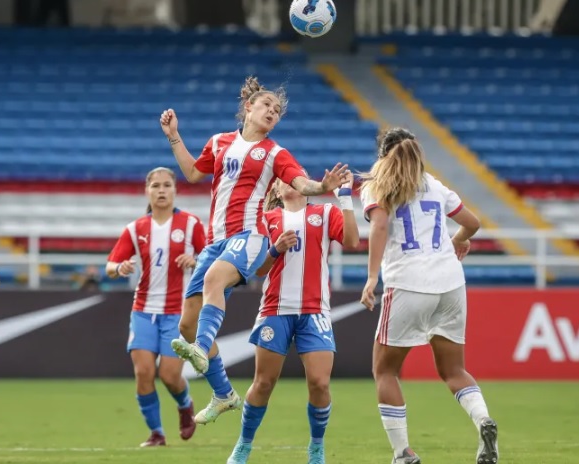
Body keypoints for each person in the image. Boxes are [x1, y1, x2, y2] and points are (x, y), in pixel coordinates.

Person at [159, 76, 350, 424]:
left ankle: (202, 349)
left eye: (277, 112)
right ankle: (223, 394)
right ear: (249, 107)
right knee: (186, 324)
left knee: (215, 283)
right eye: (267, 106)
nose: (272, 113)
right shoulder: (219, 143)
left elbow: (300, 183)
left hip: (250, 236)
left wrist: (322, 186)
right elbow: (191, 172)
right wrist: (174, 135)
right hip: (215, 241)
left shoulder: (275, 153)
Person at [359, 128, 498, 464]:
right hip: (451, 283)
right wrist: (459, 239)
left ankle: (402, 453)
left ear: (383, 155)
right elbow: (473, 222)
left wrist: (372, 276)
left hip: (408, 283)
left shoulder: (377, 185)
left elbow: (379, 227)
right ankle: (483, 420)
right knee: (453, 371)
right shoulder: (434, 184)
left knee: (385, 371)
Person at [226, 174, 360, 464]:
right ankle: (243, 445)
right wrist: (275, 250)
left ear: (305, 185)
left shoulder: (324, 213)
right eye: (281, 179)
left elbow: (352, 240)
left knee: (320, 383)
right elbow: (256, 270)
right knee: (263, 383)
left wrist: (345, 197)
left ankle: (316, 448)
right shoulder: (266, 219)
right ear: (274, 187)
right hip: (275, 310)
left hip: (315, 311)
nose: (286, 181)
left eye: (293, 177)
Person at [106, 167, 206, 447]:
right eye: (156, 186)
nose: (161, 191)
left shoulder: (190, 225)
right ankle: (157, 433)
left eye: (167, 185)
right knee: (144, 373)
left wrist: (195, 261)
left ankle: (185, 404)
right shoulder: (135, 229)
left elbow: (211, 259)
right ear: (147, 191)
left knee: (170, 376)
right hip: (143, 310)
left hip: (177, 311)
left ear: (175, 190)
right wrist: (120, 267)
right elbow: (110, 265)